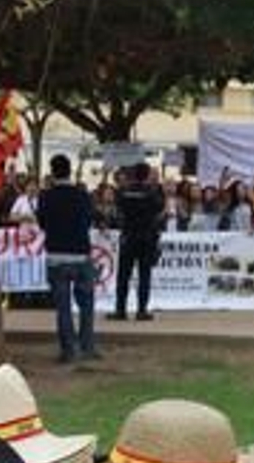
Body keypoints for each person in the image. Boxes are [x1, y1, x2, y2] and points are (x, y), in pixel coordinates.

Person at [38, 155, 99, 363]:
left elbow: (42, 223)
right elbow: (90, 218)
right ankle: (87, 346)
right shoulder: (82, 195)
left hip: (56, 255)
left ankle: (68, 350)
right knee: (86, 305)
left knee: (63, 307)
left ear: (52, 171)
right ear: (70, 170)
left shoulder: (45, 196)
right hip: (81, 254)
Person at [112, 162, 164, 321]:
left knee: (123, 276)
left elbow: (118, 206)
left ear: (133, 175)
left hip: (128, 237)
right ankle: (142, 310)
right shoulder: (152, 192)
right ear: (147, 175)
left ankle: (120, 310)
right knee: (144, 275)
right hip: (146, 238)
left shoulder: (123, 191)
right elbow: (159, 208)